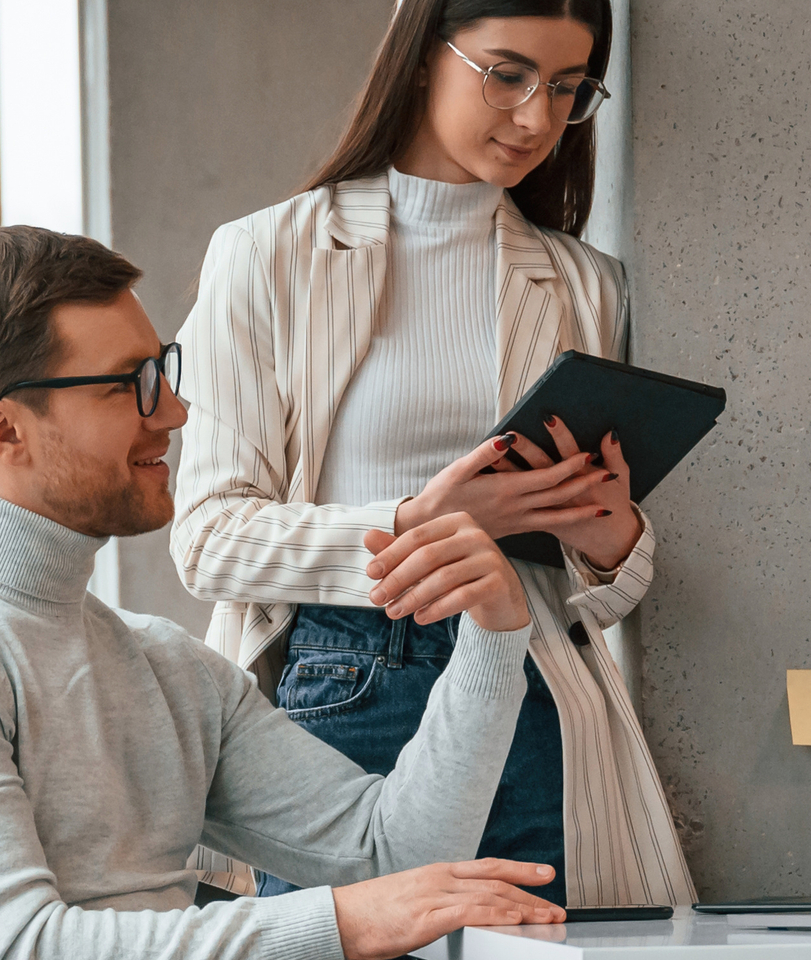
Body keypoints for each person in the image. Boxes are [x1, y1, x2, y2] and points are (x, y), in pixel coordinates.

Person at [0, 226, 569, 960]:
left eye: (159, 370)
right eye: (125, 386)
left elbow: (392, 857)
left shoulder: (163, 666)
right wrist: (341, 924)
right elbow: (8, 949)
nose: (171, 411)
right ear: (3, 431)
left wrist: (493, 636)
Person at [170, 0, 695, 907]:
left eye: (567, 88)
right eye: (508, 73)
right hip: (342, 678)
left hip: (533, 684)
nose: (536, 117)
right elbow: (209, 541)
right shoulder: (267, 253)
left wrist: (612, 538)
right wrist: (425, 524)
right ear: (422, 59)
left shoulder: (583, 282)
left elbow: (595, 596)